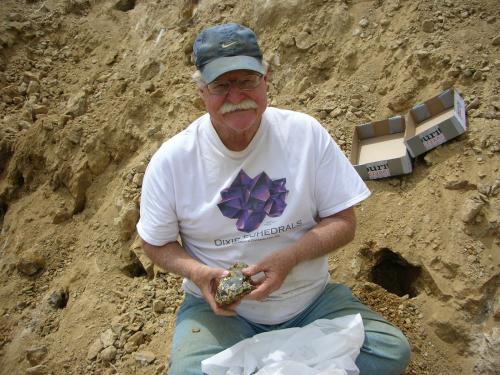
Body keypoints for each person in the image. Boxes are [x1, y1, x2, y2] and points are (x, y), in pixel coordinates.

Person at [137, 23, 411, 375]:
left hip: (310, 301)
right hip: (225, 315)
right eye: (221, 85)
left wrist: (290, 257)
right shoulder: (173, 161)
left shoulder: (304, 134)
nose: (237, 96)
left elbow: (344, 222)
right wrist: (200, 274)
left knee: (391, 351)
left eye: (247, 81)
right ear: (201, 91)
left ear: (265, 79)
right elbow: (155, 243)